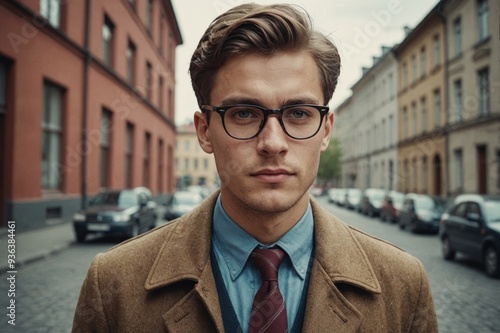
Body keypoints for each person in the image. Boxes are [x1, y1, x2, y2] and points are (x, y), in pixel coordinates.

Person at [72, 3, 438, 332]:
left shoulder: (403, 284)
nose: (273, 143)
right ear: (205, 132)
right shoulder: (114, 285)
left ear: (325, 131)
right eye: (244, 114)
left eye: (298, 114)